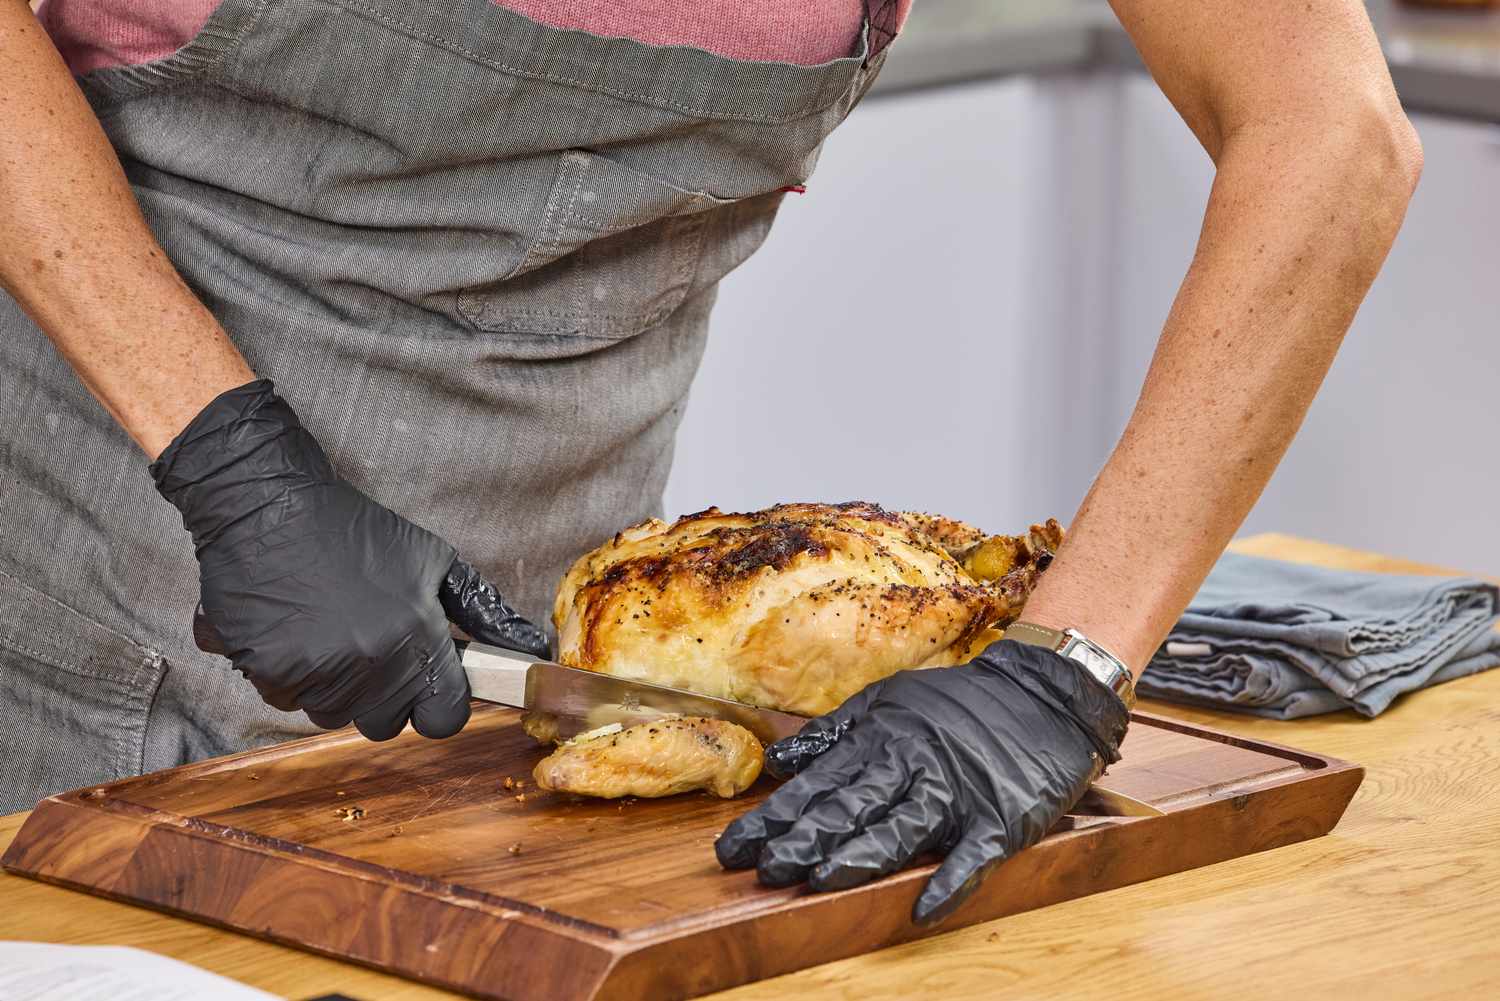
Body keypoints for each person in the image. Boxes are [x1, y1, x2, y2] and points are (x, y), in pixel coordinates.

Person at [0, 0, 1420, 925]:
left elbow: (1331, 128)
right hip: (92, 574)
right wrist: (226, 458)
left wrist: (1074, 662)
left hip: (552, 717)